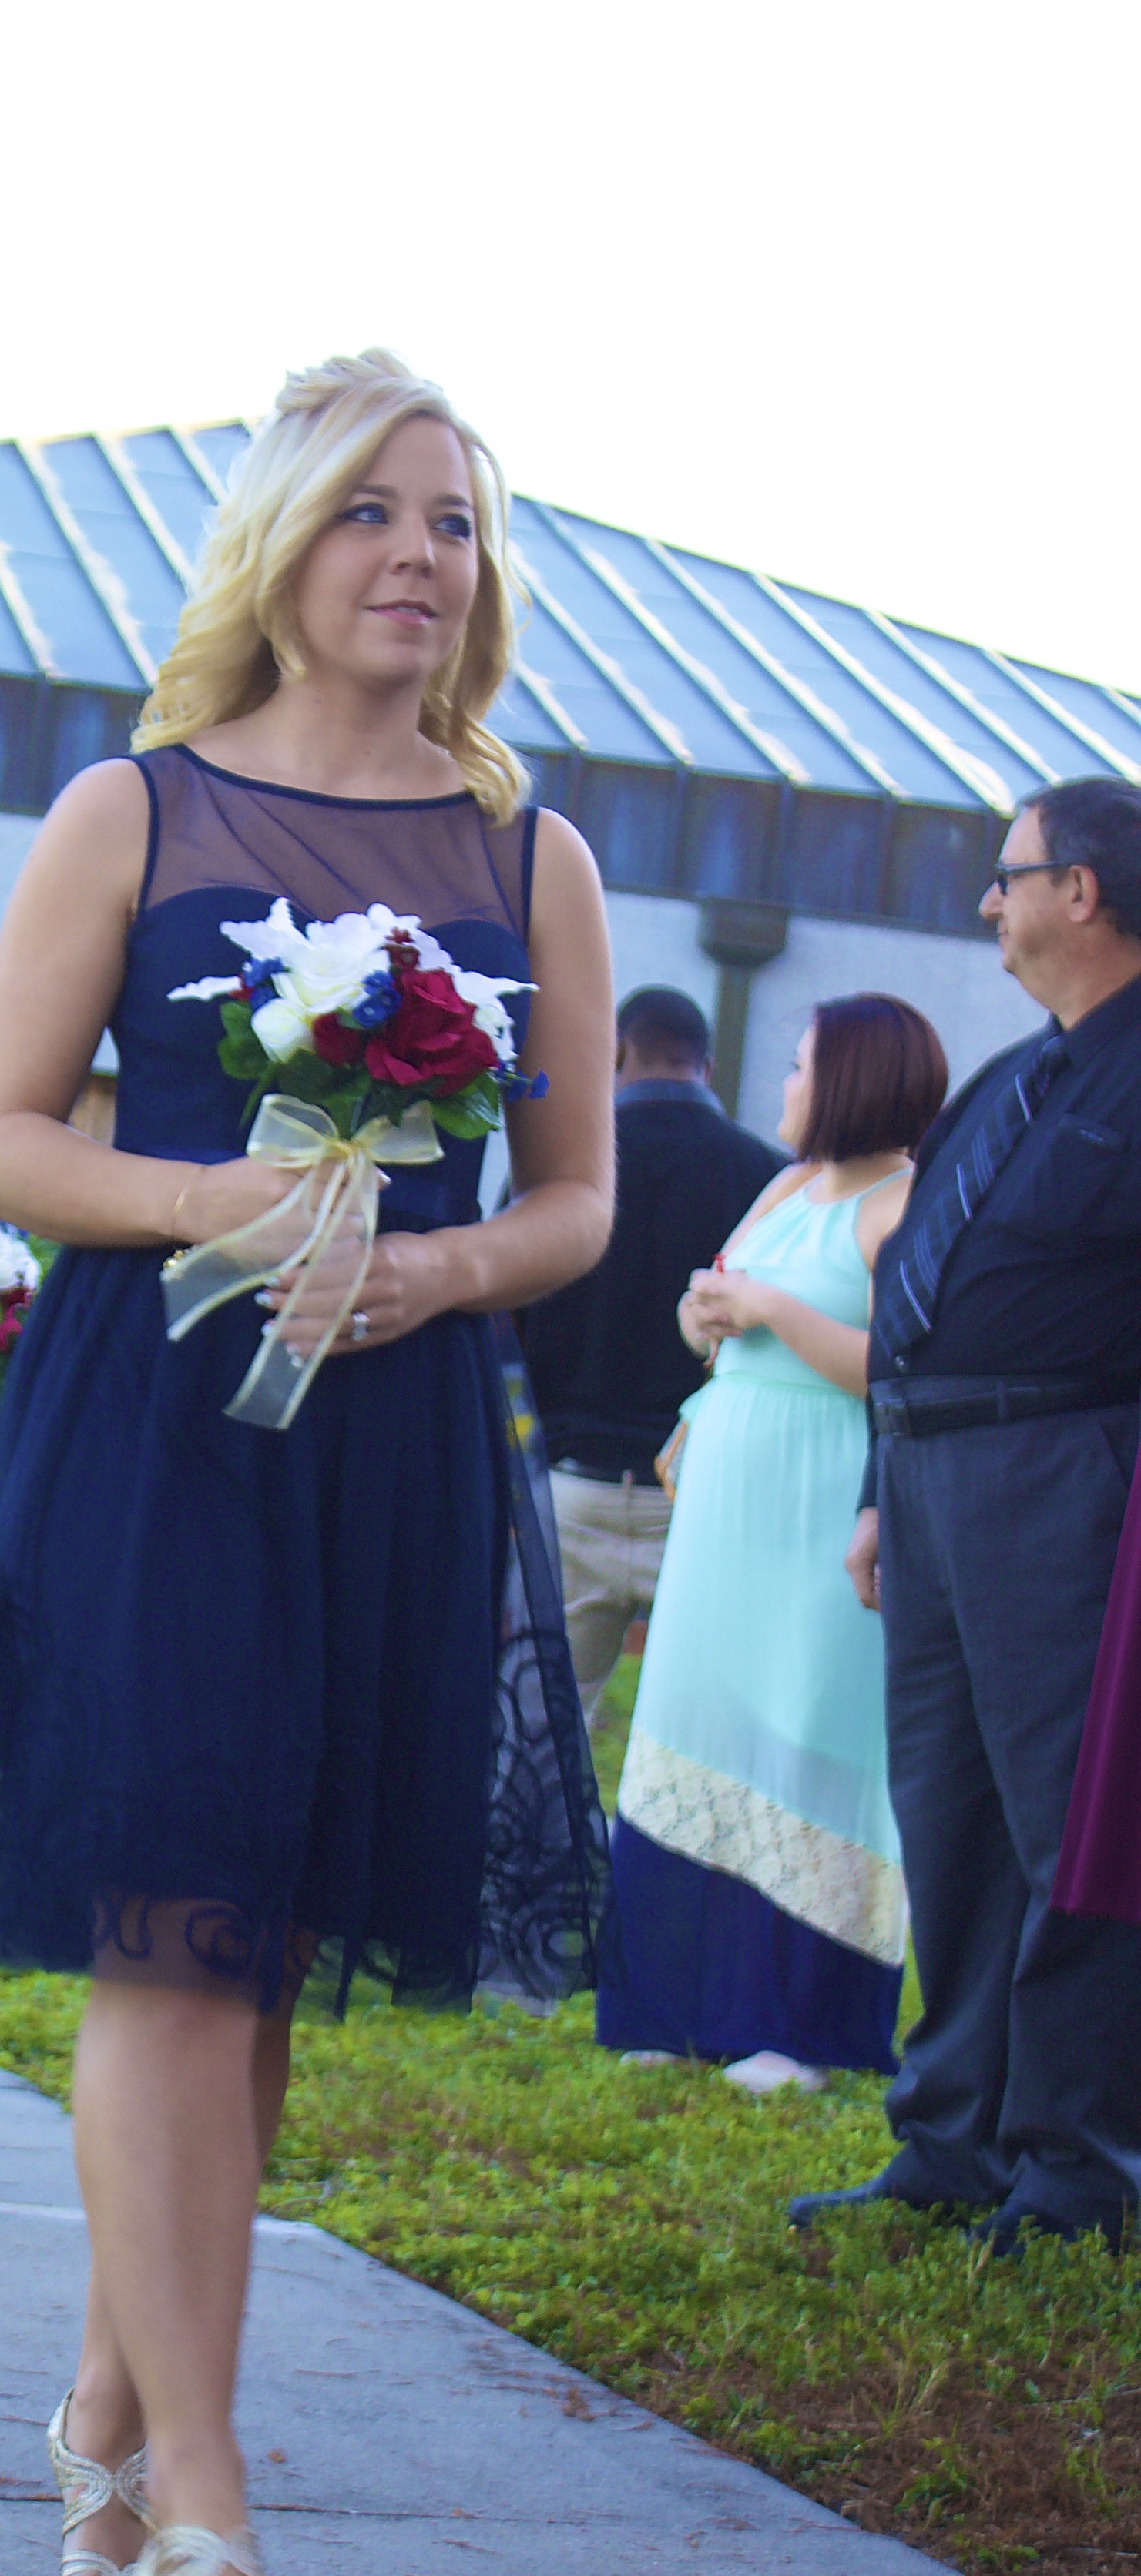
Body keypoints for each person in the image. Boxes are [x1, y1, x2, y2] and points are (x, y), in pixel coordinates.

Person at [0, 350, 613, 2576]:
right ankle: (201, 2497)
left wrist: (421, 1262)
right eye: (373, 512)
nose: (421, 553)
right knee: (172, 1942)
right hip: (159, 1425)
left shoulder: (531, 859)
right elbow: (1, 1141)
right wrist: (228, 1197)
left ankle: (101, 2411)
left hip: (393, 1443)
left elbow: (578, 1198)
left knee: (262, 1947)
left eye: (458, 522)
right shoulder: (138, 807)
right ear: (282, 547)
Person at [793, 780, 1141, 2254]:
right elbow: (913, 1298)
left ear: (1082, 888)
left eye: (1006, 878)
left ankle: (1076, 2170)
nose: (986, 905)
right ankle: (950, 2141)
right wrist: (882, 1492)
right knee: (949, 1823)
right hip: (932, 1481)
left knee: (1069, 1828)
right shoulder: (1012, 1077)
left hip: (1064, 1475)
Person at [596, 997, 945, 2091]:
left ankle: (800, 2028)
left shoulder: (906, 1204)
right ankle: (668, 2000)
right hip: (730, 1474)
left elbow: (897, 1361)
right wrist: (706, 1317)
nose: (787, 1087)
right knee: (697, 1714)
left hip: (826, 1481)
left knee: (808, 1726)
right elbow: (723, 1304)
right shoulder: (787, 1184)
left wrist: (764, 1308)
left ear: (849, 1079)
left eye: (799, 1068)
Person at [521, 986, 782, 1718]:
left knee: (529, 1743)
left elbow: (510, 1331)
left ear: (616, 1053)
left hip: (569, 1487)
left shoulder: (557, 1175)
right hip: (703, 1495)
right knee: (707, 1746)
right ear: (709, 1062)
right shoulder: (765, 1176)